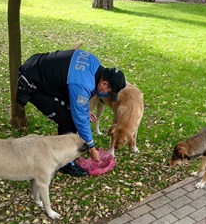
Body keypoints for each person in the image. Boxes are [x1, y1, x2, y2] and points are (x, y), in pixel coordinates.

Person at [16, 48, 126, 176]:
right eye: (109, 91)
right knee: (67, 119)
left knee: (72, 114)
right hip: (32, 82)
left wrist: (83, 109)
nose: (107, 95)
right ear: (104, 83)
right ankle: (65, 163)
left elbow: (73, 91)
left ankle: (67, 156)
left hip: (37, 65)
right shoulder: (82, 85)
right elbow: (79, 118)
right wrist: (91, 147)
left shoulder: (94, 63)